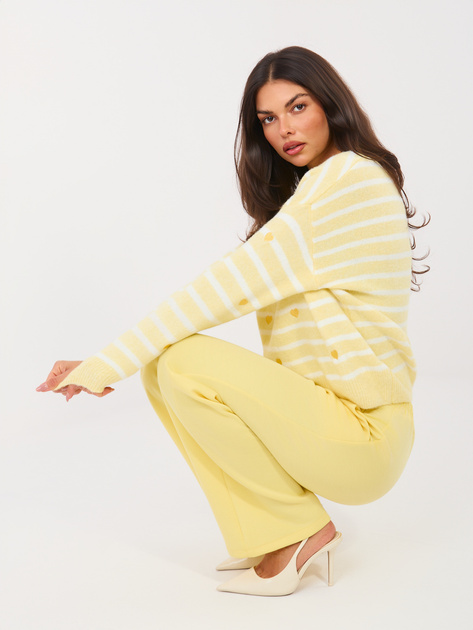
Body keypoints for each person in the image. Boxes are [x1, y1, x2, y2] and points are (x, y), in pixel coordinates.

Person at [36, 46, 430, 597]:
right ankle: (273, 532)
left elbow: (222, 288)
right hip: (343, 425)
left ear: (331, 105)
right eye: (267, 118)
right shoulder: (325, 187)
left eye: (297, 107)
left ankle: (297, 534)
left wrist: (105, 362)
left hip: (366, 434)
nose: (283, 130)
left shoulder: (346, 180)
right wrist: (121, 361)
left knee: (181, 360)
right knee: (163, 370)